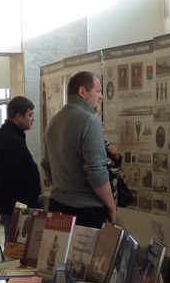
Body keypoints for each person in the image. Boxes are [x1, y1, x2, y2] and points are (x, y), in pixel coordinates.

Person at [42, 71, 117, 228]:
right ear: (83, 91)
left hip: (56, 206)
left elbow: (46, 164)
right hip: (85, 212)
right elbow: (96, 172)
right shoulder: (90, 120)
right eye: (98, 91)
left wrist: (63, 188)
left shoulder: (54, 120)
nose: (101, 96)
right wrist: (111, 208)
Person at [0, 96, 41, 239]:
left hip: (16, 203)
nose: (33, 119)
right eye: (30, 115)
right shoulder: (11, 139)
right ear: (19, 116)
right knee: (16, 246)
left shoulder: (8, 134)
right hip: (15, 205)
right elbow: (6, 175)